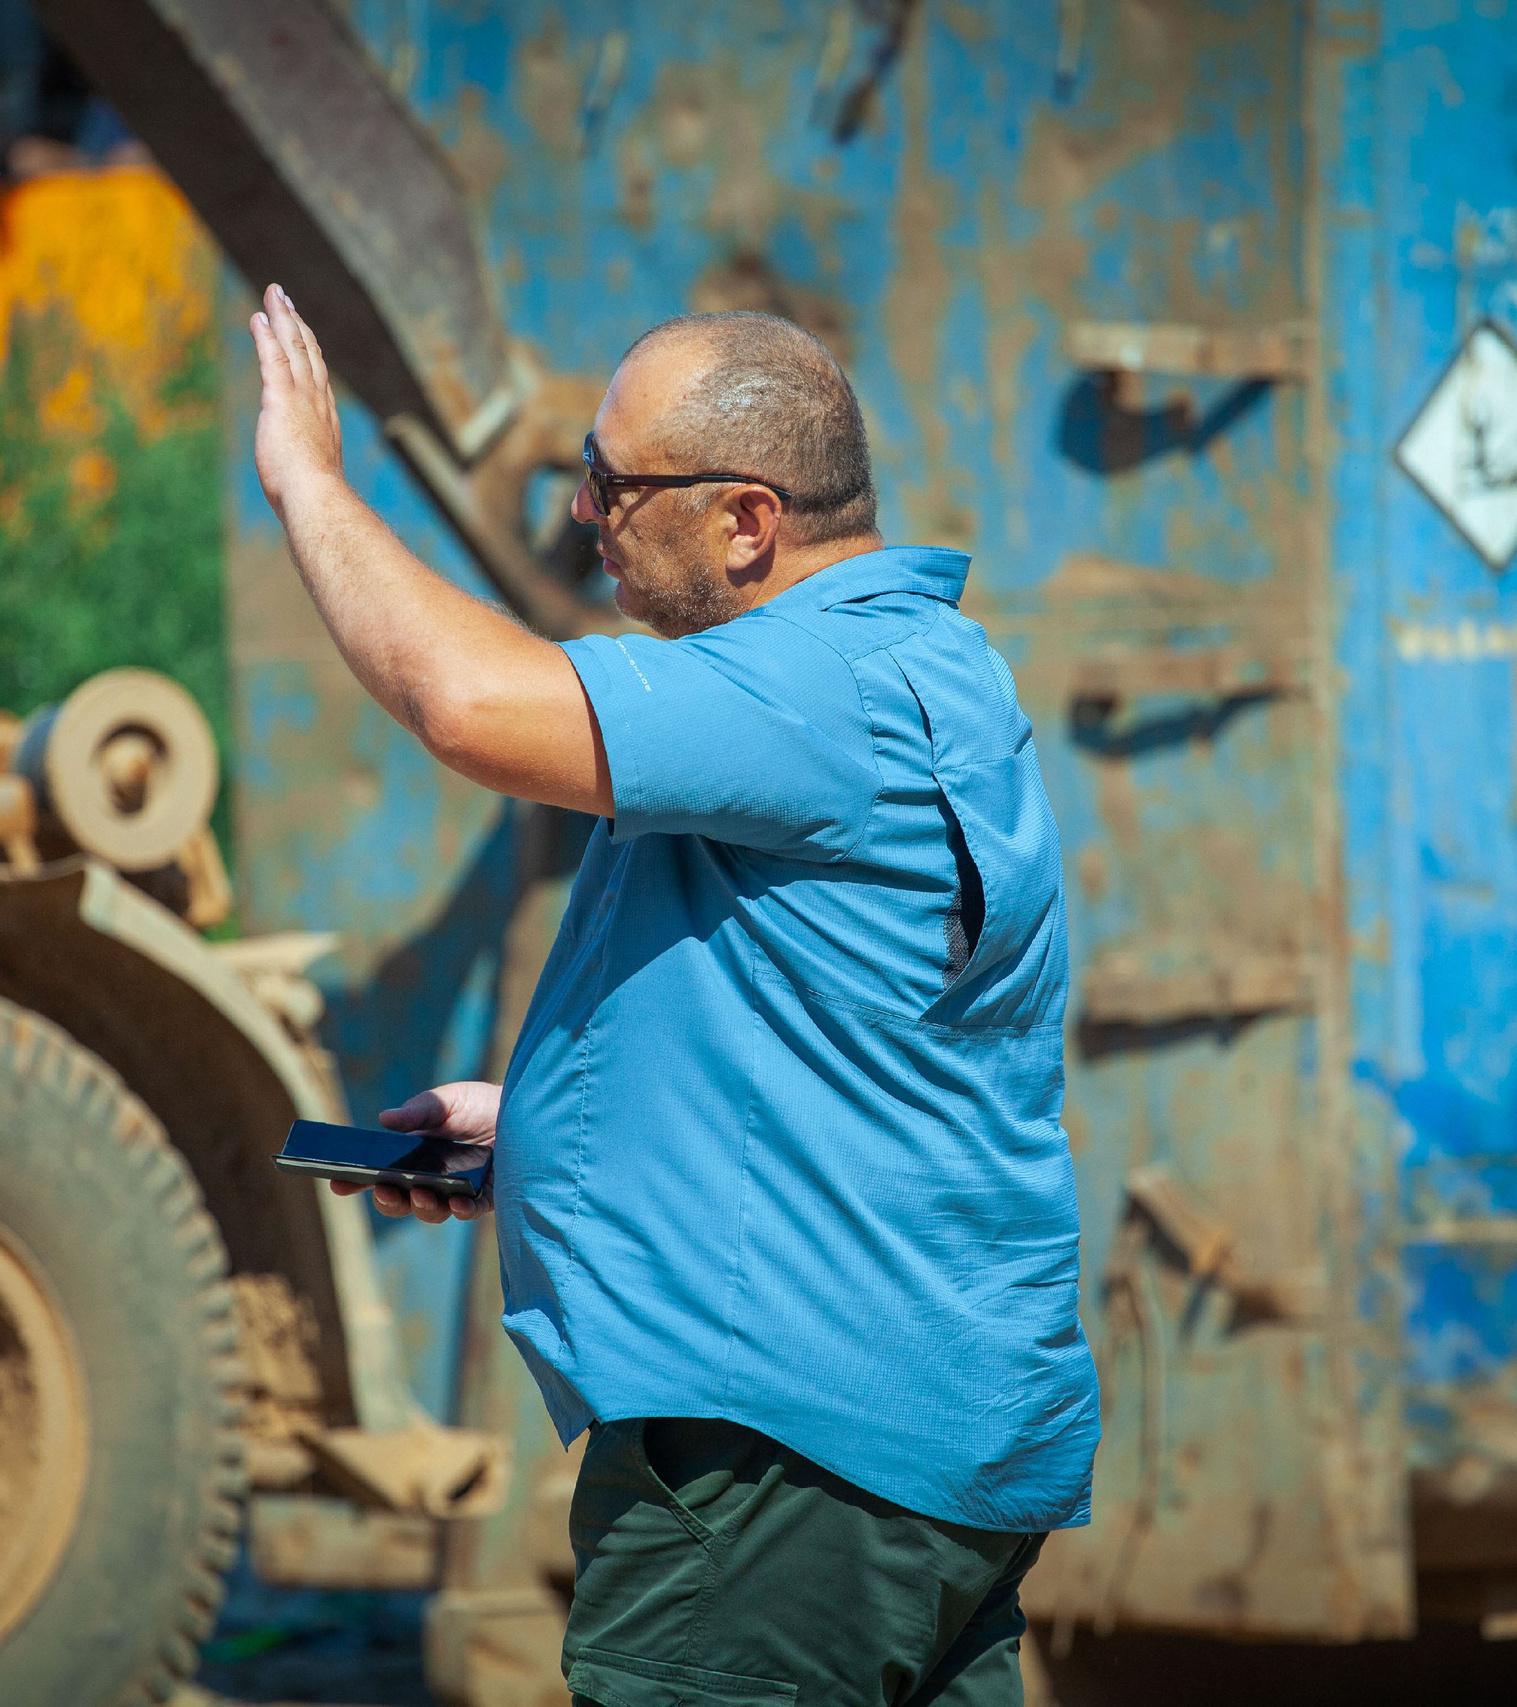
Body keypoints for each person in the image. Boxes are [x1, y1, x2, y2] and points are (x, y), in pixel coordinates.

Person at [249, 285, 1099, 1707]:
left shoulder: (805, 684)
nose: (586, 515)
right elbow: (855, 1041)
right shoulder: (930, 666)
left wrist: (311, 484)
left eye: (612, 484)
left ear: (746, 524)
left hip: (776, 1471)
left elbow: (466, 703)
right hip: (931, 1445)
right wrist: (546, 1131)